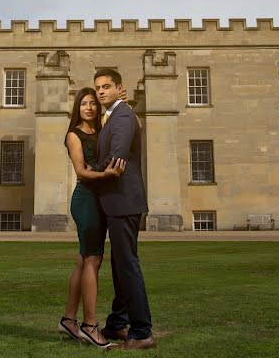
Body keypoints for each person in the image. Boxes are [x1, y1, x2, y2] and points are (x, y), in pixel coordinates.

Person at [58, 87, 126, 348]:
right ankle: (89, 325)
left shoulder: (100, 130)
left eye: (93, 104)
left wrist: (121, 102)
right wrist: (107, 176)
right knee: (93, 260)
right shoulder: (73, 135)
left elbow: (117, 117)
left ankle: (68, 320)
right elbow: (82, 172)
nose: (89, 107)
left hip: (98, 200)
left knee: (82, 259)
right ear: (78, 107)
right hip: (85, 199)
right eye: (84, 103)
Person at [94, 68, 155, 350]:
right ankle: (118, 323)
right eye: (98, 88)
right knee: (120, 264)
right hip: (118, 200)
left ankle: (142, 331)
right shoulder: (113, 117)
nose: (101, 91)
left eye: (107, 86)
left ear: (120, 88)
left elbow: (116, 156)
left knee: (127, 264)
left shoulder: (123, 116)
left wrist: (86, 170)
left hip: (123, 199)